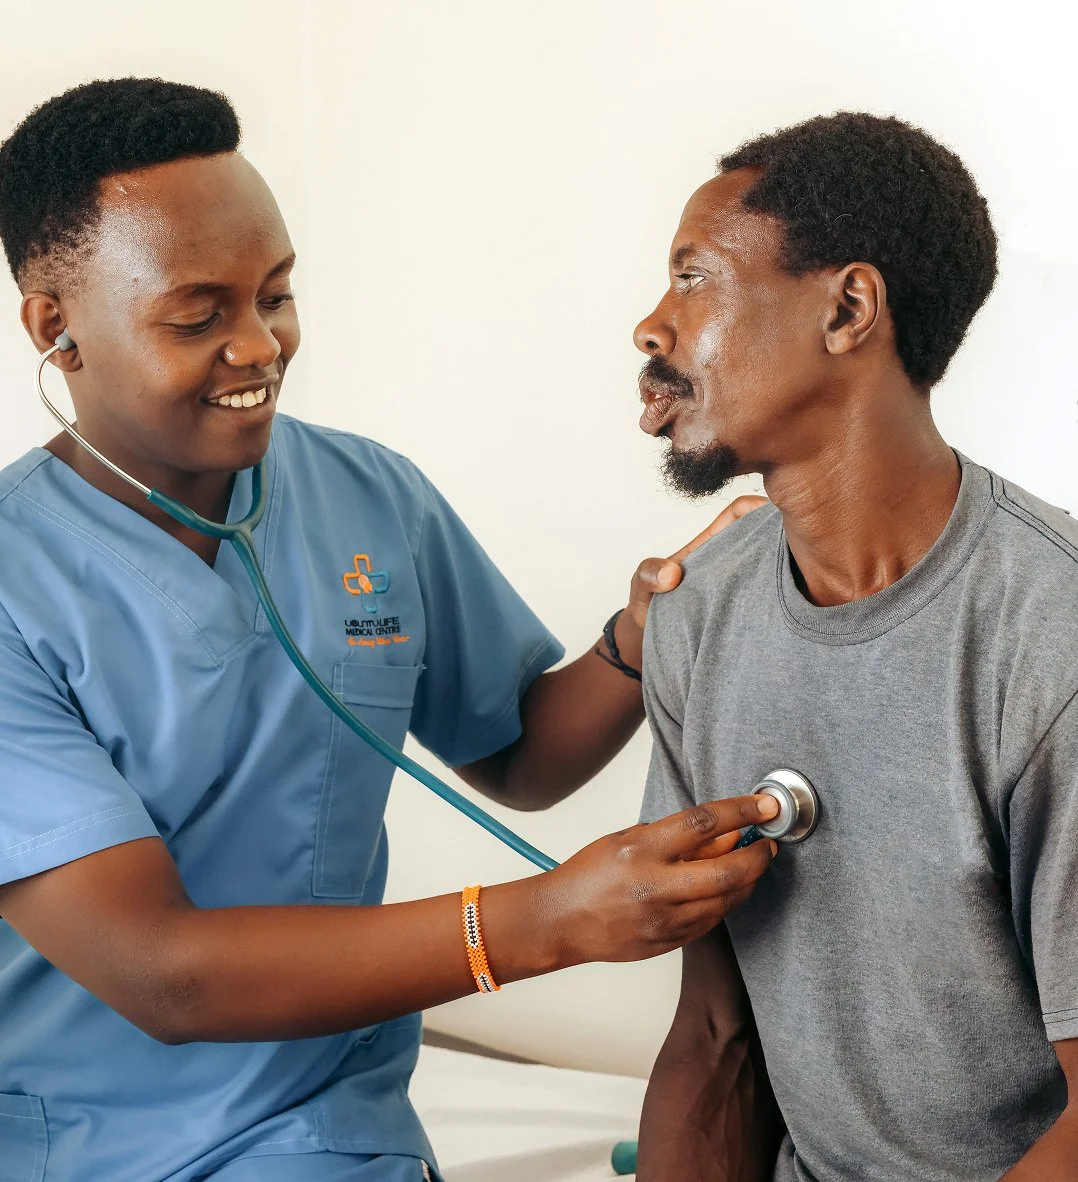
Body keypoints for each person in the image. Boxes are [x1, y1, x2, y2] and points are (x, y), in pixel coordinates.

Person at [0, 78, 776, 1182]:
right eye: (197, 315)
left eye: (276, 294)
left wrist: (637, 635)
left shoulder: (368, 496)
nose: (259, 345)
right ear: (55, 327)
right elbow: (161, 971)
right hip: (91, 1141)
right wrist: (550, 920)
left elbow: (514, 753)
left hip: (328, 1128)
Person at [633, 111, 1078, 1182]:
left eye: (695, 279)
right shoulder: (698, 618)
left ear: (847, 309)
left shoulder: (1048, 638)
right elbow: (713, 1040)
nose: (652, 326)